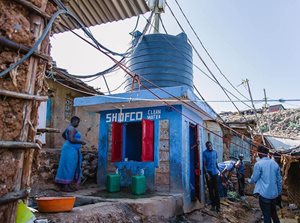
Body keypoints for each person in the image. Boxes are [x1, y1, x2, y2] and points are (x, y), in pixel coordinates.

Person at [248, 146, 282, 223]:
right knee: (274, 214)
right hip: (274, 195)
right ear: (267, 154)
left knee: (266, 216)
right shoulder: (275, 164)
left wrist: (249, 180)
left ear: (259, 153)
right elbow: (279, 180)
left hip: (264, 195)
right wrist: (279, 192)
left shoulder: (258, 164)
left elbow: (255, 178)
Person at [55, 116, 86, 192]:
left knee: (67, 166)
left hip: (68, 148)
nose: (78, 124)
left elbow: (63, 135)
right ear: (75, 121)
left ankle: (67, 184)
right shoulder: (72, 128)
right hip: (70, 150)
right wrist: (81, 142)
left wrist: (68, 140)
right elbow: (72, 139)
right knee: (69, 167)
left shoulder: (68, 128)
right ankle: (65, 186)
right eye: (78, 122)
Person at [203, 141, 220, 212]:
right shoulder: (204, 153)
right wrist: (206, 173)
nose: (209, 146)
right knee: (210, 190)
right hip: (209, 173)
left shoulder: (215, 152)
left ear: (212, 145)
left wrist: (219, 171)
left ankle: (218, 207)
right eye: (208, 146)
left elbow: (216, 163)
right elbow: (204, 164)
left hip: (215, 173)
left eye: (210, 145)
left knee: (216, 190)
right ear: (206, 146)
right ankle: (213, 206)